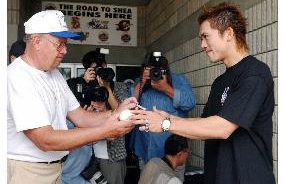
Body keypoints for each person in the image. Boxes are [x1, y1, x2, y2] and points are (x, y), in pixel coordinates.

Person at [132, 1, 275, 184]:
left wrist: (166, 124)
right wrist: (170, 118)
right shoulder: (220, 82)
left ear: (229, 33)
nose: (202, 44)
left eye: (206, 37)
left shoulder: (255, 74)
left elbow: (222, 128)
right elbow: (205, 124)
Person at [7, 10, 138, 184]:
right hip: (28, 172)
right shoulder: (18, 77)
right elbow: (45, 140)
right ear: (37, 41)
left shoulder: (55, 74)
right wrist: (106, 130)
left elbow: (81, 117)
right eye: (59, 44)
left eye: (66, 44)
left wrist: (116, 113)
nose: (65, 50)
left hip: (56, 169)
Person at [128, 52, 196, 180]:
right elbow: (129, 106)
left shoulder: (178, 80)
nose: (155, 72)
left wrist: (166, 88)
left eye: (157, 69)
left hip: (172, 153)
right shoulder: (140, 83)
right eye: (150, 69)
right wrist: (142, 81)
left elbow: (190, 103)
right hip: (145, 148)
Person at [65, 49, 129, 184]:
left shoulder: (119, 87)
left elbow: (123, 113)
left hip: (111, 155)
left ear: (106, 66)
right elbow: (68, 109)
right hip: (86, 155)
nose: (100, 71)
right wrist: (83, 81)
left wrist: (107, 89)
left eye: (102, 67)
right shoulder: (81, 85)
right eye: (95, 69)